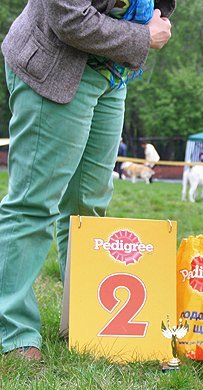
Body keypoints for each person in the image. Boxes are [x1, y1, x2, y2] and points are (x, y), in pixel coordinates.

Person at [0, 0, 175, 362]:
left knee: (87, 207)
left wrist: (157, 15)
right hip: (56, 68)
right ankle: (13, 331)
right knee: (34, 202)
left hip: (112, 75)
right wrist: (142, 36)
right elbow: (68, 17)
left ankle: (81, 320)